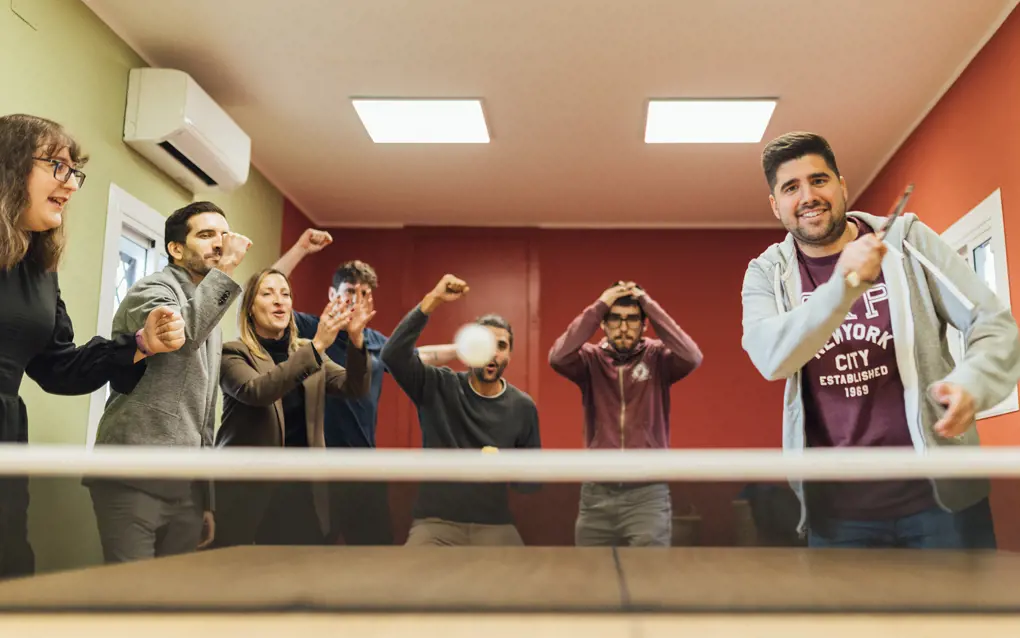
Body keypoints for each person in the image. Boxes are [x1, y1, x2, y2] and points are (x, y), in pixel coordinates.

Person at [741, 131, 1020, 549]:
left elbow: (992, 323)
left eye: (819, 180)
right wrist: (844, 286)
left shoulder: (907, 241)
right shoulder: (766, 273)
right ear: (775, 204)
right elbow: (770, 357)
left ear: (841, 184)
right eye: (791, 187)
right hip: (837, 517)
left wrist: (972, 385)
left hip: (941, 503)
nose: (808, 196)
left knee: (964, 618)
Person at [0, 114, 185, 578]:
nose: (71, 184)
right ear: (10, 167)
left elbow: (60, 368)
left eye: (74, 172)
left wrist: (142, 342)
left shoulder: (38, 268)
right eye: (56, 167)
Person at [87, 201, 251, 563]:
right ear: (176, 249)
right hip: (132, 476)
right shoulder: (151, 291)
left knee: (171, 604)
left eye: (224, 234)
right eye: (206, 235)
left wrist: (204, 498)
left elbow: (205, 415)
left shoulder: (211, 312)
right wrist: (226, 270)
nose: (220, 244)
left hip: (186, 491)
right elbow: (182, 334)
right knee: (131, 600)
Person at [273, 230, 457, 545]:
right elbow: (267, 293)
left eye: (363, 293)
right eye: (349, 291)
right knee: (308, 555)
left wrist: (460, 350)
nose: (355, 300)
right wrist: (300, 248)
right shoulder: (306, 329)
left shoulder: (376, 343)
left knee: (376, 556)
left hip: (363, 468)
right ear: (332, 295)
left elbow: (417, 356)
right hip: (313, 469)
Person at [213, 268, 372, 547]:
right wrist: (319, 345)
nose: (280, 301)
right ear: (250, 308)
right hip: (250, 496)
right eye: (268, 293)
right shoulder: (233, 353)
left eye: (285, 294)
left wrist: (357, 340)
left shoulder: (305, 350)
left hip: (303, 492)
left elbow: (353, 387)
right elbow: (258, 391)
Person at [380, 274, 542, 546]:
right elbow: (391, 355)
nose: (493, 353)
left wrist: (507, 467)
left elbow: (529, 484)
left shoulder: (523, 407)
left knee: (522, 583)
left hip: (495, 526)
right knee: (408, 583)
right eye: (486, 344)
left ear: (509, 355)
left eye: (501, 346)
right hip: (435, 524)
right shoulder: (438, 385)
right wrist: (433, 300)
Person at [549, 281, 703, 547]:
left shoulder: (657, 358)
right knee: (592, 580)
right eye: (615, 319)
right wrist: (599, 304)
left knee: (648, 580)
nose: (623, 327)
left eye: (632, 319)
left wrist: (648, 304)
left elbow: (692, 356)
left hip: (647, 494)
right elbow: (558, 357)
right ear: (604, 324)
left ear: (644, 325)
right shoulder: (590, 361)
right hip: (597, 494)